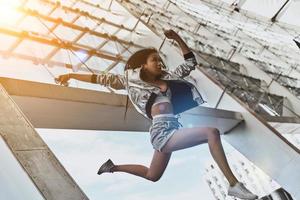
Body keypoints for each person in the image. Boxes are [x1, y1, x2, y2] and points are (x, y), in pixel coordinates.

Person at [55, 29, 258, 200]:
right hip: (161, 131)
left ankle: (112, 167)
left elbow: (190, 63)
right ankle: (233, 184)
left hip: (173, 127)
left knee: (152, 175)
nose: (159, 63)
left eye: (161, 60)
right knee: (211, 132)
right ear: (143, 64)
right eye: (154, 60)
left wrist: (177, 39)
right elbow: (100, 78)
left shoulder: (169, 78)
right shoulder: (129, 80)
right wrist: (71, 75)